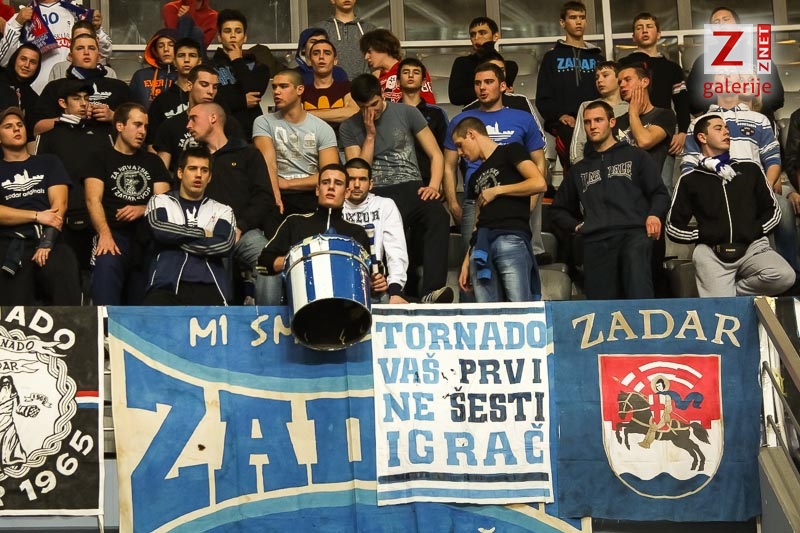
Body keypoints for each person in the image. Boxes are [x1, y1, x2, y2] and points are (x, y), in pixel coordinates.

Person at [340, 73, 452, 303]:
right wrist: (370, 136)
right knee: (385, 225)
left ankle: (431, 291)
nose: (371, 111)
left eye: (374, 104)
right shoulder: (349, 127)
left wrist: (433, 185)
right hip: (377, 191)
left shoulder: (407, 112)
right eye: (364, 108)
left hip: (411, 185)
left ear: (382, 94)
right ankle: (391, 291)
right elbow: (358, 171)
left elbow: (436, 154)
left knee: (438, 215)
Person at [550, 101, 670, 299]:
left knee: (638, 299)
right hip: (596, 241)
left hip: (634, 235)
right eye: (587, 122)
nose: (592, 126)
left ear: (612, 122)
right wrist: (577, 226)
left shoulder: (636, 156)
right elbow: (557, 210)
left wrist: (654, 215)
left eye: (598, 120)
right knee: (602, 307)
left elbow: (660, 193)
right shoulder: (579, 170)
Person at [666, 114, 794, 297]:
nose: (726, 132)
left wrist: (755, 230)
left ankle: (735, 295)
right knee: (722, 309)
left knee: (784, 276)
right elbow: (673, 227)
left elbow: (773, 211)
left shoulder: (750, 169)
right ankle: (728, 299)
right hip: (711, 252)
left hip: (753, 247)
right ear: (702, 137)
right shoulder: (690, 179)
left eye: (726, 128)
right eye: (718, 128)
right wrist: (704, 234)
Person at [443, 63, 547, 260]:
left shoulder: (523, 118)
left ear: (503, 86)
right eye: (478, 83)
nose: (482, 87)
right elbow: (449, 166)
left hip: (514, 198)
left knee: (514, 262)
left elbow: (539, 162)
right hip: (475, 198)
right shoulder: (461, 120)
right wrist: (453, 204)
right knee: (474, 261)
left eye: (489, 82)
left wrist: (532, 200)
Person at [187, 102, 282, 305]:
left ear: (213, 118)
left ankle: (268, 318)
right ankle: (222, 316)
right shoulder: (194, 160)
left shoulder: (247, 153)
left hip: (243, 231)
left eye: (193, 118)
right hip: (206, 232)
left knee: (268, 260)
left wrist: (240, 226)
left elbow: (264, 196)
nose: (188, 125)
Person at [83, 102, 172, 305]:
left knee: (142, 303)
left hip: (147, 238)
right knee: (105, 289)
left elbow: (165, 202)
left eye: (145, 127)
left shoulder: (153, 161)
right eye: (137, 125)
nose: (142, 132)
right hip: (113, 234)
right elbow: (92, 199)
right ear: (120, 126)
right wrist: (104, 235)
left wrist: (143, 208)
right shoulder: (99, 158)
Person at [452, 117, 547, 303]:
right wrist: (466, 260)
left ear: (471, 134)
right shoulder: (474, 177)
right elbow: (477, 222)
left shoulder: (511, 150)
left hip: (510, 237)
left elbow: (539, 183)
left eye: (460, 145)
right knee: (487, 313)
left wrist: (498, 190)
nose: (459, 152)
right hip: (481, 246)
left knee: (519, 309)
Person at [257, 163, 387, 299]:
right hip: (300, 302)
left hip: (346, 303)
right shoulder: (295, 223)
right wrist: (294, 260)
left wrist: (377, 284)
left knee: (383, 295)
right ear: (318, 190)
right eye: (325, 182)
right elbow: (262, 264)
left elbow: (376, 272)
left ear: (347, 192)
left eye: (338, 183)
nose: (331, 187)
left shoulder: (358, 232)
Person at [0, 106, 81, 305]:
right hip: (11, 244)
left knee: (64, 263)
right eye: (8, 126)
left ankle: (72, 323)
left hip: (49, 236)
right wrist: (36, 215)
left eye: (19, 125)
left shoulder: (48, 162)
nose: (16, 129)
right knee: (14, 304)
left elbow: (60, 204)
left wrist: (47, 242)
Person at [35, 80, 113, 275]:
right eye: (76, 99)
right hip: (63, 215)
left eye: (86, 98)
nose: (83, 103)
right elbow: (40, 177)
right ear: (63, 103)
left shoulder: (103, 133)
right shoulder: (49, 136)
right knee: (67, 274)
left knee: (97, 274)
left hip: (99, 214)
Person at [144, 145, 236, 306]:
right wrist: (202, 233)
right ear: (180, 173)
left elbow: (224, 245)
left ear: (210, 177)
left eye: (204, 170)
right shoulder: (161, 201)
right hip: (165, 285)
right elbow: (159, 230)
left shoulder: (223, 210)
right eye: (192, 168)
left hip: (211, 286)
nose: (198, 175)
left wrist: (174, 241)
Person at [253, 69, 339, 217]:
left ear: (300, 90)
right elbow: (268, 164)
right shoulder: (263, 122)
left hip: (310, 194)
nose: (276, 92)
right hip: (275, 190)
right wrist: (276, 195)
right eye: (274, 87)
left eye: (283, 86)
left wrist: (288, 183)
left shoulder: (322, 128)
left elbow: (329, 175)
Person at [536, 1, 604, 173]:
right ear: (562, 22)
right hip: (564, 123)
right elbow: (543, 97)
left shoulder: (598, 58)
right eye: (573, 17)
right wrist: (560, 115)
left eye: (582, 17)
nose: (579, 22)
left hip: (595, 118)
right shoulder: (551, 57)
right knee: (576, 164)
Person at [686, 6, 783, 122]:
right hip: (718, 122)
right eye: (716, 22)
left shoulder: (760, 56)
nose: (721, 24)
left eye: (726, 19)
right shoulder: (703, 61)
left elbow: (777, 97)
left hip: (757, 119)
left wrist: (750, 109)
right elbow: (693, 102)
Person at [619, 12, 689, 160]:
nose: (644, 31)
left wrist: (683, 132)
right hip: (628, 128)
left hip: (662, 129)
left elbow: (682, 102)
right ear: (633, 37)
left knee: (663, 175)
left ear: (658, 34)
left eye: (649, 26)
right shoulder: (623, 65)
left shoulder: (672, 68)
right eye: (639, 28)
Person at [31, 33, 131, 137]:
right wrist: (65, 119)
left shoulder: (119, 87)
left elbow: (137, 123)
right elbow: (36, 129)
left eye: (91, 48)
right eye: (80, 48)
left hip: (109, 145)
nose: (86, 52)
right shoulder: (55, 87)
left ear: (99, 56)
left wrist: (113, 117)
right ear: (70, 57)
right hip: (65, 145)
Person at [0, 2, 111, 93]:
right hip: (35, 94)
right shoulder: (21, 16)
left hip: (76, 93)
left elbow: (104, 53)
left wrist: (97, 30)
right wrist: (17, 23)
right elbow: (4, 60)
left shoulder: (78, 12)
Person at [343, 157, 409, 303]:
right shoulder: (335, 207)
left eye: (362, 179)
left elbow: (396, 250)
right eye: (351, 179)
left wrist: (395, 290)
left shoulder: (385, 205)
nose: (357, 185)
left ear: (371, 183)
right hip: (340, 283)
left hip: (374, 285)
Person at [211, 9, 270, 139]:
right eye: (227, 31)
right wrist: (242, 101)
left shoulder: (260, 67)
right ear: (219, 37)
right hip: (220, 133)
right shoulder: (209, 67)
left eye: (238, 31)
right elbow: (212, 100)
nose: (233, 36)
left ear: (245, 37)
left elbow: (253, 92)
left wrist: (237, 60)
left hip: (252, 133)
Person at [153, 64, 222, 173]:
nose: (210, 91)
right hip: (180, 182)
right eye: (204, 85)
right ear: (189, 85)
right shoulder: (170, 126)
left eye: (215, 87)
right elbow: (161, 174)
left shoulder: (225, 123)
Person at [398, 57, 449, 187]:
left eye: (416, 72)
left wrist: (440, 183)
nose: (410, 76)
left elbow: (446, 152)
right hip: (396, 181)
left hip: (429, 181)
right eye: (405, 72)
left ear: (424, 81)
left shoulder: (437, 113)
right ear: (398, 81)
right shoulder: (389, 112)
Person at [448, 17, 518, 106]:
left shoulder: (510, 66)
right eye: (473, 35)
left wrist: (487, 46)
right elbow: (455, 97)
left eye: (482, 33)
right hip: (473, 112)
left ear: (495, 36)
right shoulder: (462, 63)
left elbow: (494, 65)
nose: (477, 38)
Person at [147, 37, 203, 146]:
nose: (186, 60)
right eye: (181, 55)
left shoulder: (210, 97)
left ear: (199, 61)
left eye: (192, 55)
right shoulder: (161, 101)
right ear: (174, 62)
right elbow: (151, 143)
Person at [570, 61, 628, 165]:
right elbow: (578, 143)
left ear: (618, 78)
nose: (599, 80)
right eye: (597, 78)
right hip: (591, 166)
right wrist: (580, 167)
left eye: (605, 75)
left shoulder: (630, 108)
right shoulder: (587, 106)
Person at [359, 29, 435, 104]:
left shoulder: (412, 70)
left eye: (369, 52)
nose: (366, 57)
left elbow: (428, 104)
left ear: (382, 47)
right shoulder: (376, 79)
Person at [302, 39, 358, 131]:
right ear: (310, 61)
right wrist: (337, 114)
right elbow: (296, 117)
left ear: (335, 60)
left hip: (341, 139)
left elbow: (353, 112)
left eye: (327, 53)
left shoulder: (346, 87)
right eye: (316, 53)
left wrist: (309, 114)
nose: (321, 57)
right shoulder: (302, 91)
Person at [316, 0, 376, 80]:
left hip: (363, 84)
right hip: (331, 84)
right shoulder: (320, 29)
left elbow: (378, 63)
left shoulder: (370, 29)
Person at [45, 21, 117, 83]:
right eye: (78, 38)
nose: (86, 52)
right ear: (71, 42)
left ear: (97, 41)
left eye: (87, 37)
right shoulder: (59, 69)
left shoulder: (109, 74)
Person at [0, 44, 42, 143]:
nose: (27, 65)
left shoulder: (34, 98)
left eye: (33, 62)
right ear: (15, 59)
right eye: (23, 59)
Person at [129, 29, 179, 109]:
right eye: (160, 46)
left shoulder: (186, 75)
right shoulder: (141, 76)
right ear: (155, 51)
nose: (166, 49)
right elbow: (130, 107)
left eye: (171, 45)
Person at [639, 376, 674, 449]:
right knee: (651, 426)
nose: (658, 388)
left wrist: (666, 410)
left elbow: (669, 407)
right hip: (655, 415)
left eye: (660, 386)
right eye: (657, 386)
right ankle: (645, 441)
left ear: (663, 385)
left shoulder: (667, 396)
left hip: (664, 416)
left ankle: (647, 443)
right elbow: (651, 403)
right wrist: (643, 397)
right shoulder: (654, 396)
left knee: (653, 427)